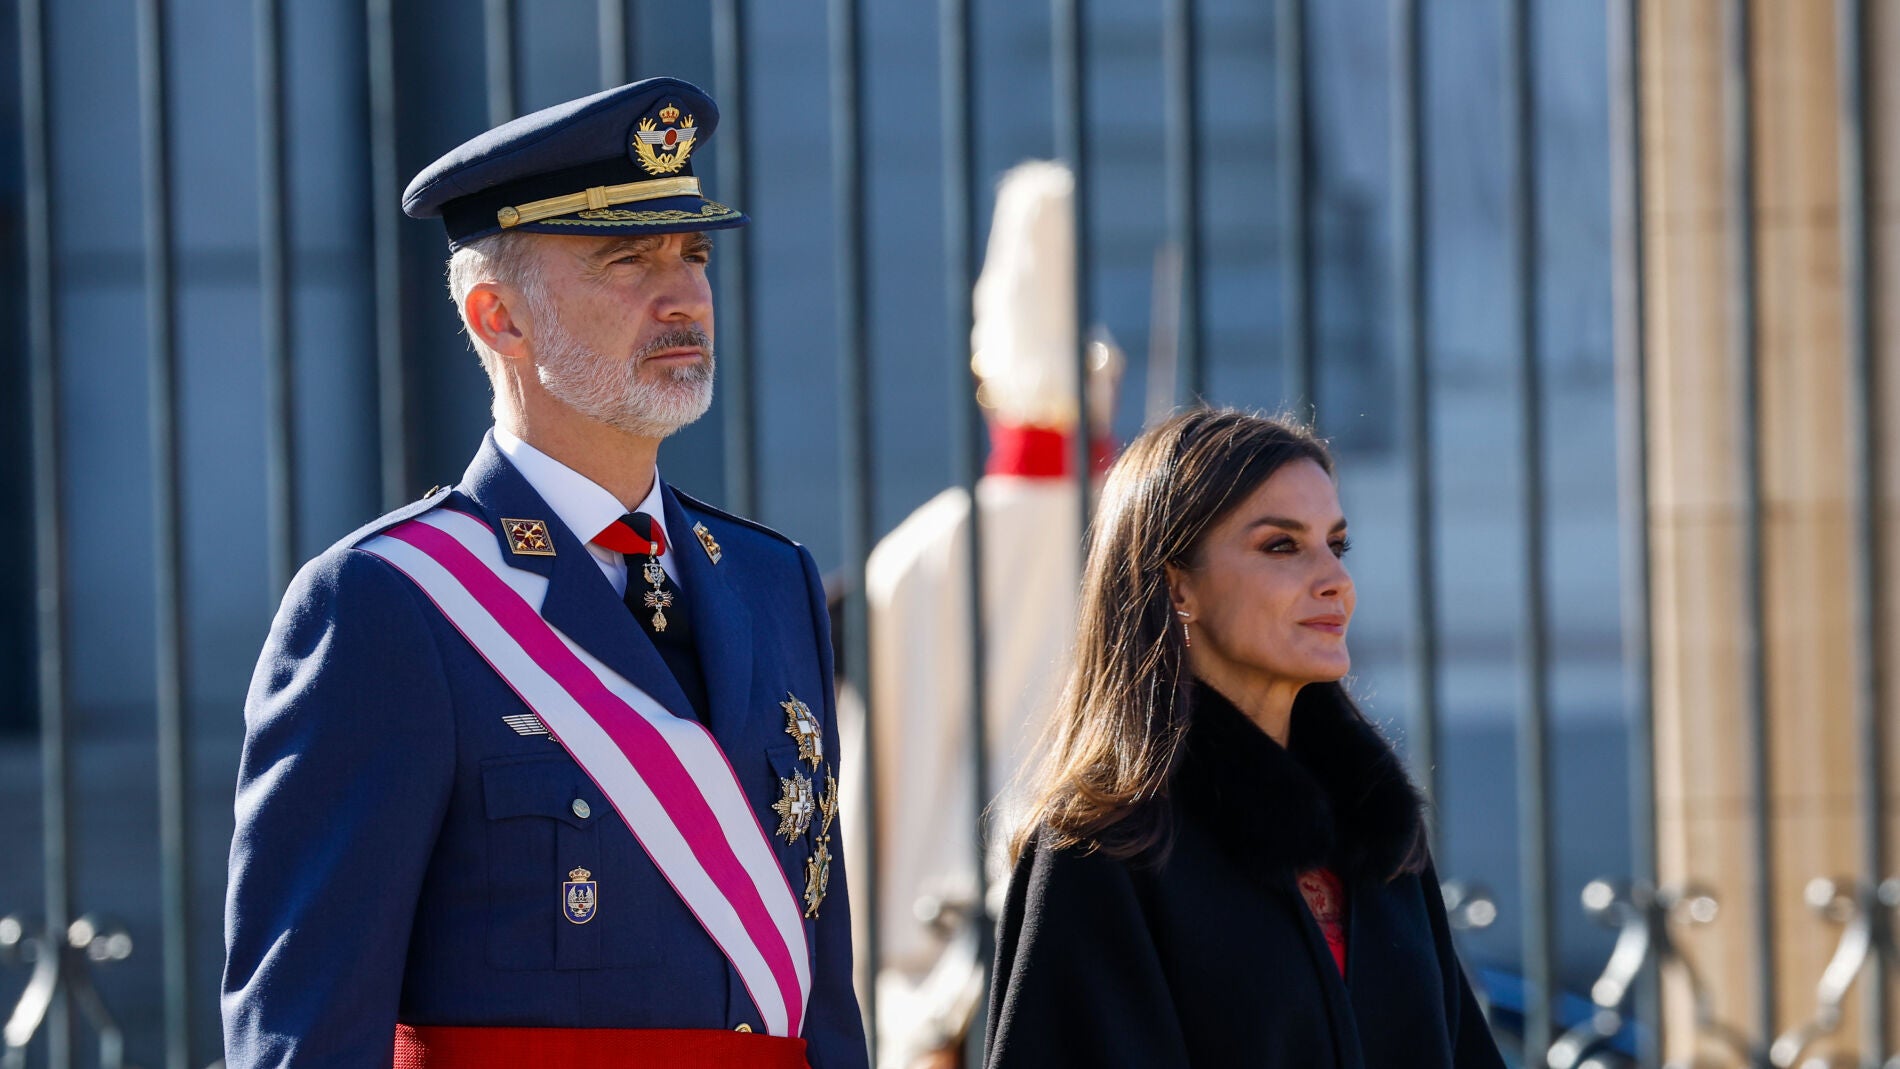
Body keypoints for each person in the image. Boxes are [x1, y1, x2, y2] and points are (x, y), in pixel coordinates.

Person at [221, 77, 868, 1069]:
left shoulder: (768, 578)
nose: (684, 292)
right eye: (627, 258)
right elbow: (306, 1028)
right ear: (497, 316)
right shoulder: (388, 604)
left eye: (692, 252)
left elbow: (818, 1002)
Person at [983, 408, 1505, 1069]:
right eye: (1281, 546)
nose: (1335, 580)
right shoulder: (1106, 850)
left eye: (1336, 545)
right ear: (1177, 586)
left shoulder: (1380, 833)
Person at [844, 160, 1120, 1069]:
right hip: (1103, 932)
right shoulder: (1145, 542)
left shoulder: (919, 551)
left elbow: (862, 795)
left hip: (922, 957)